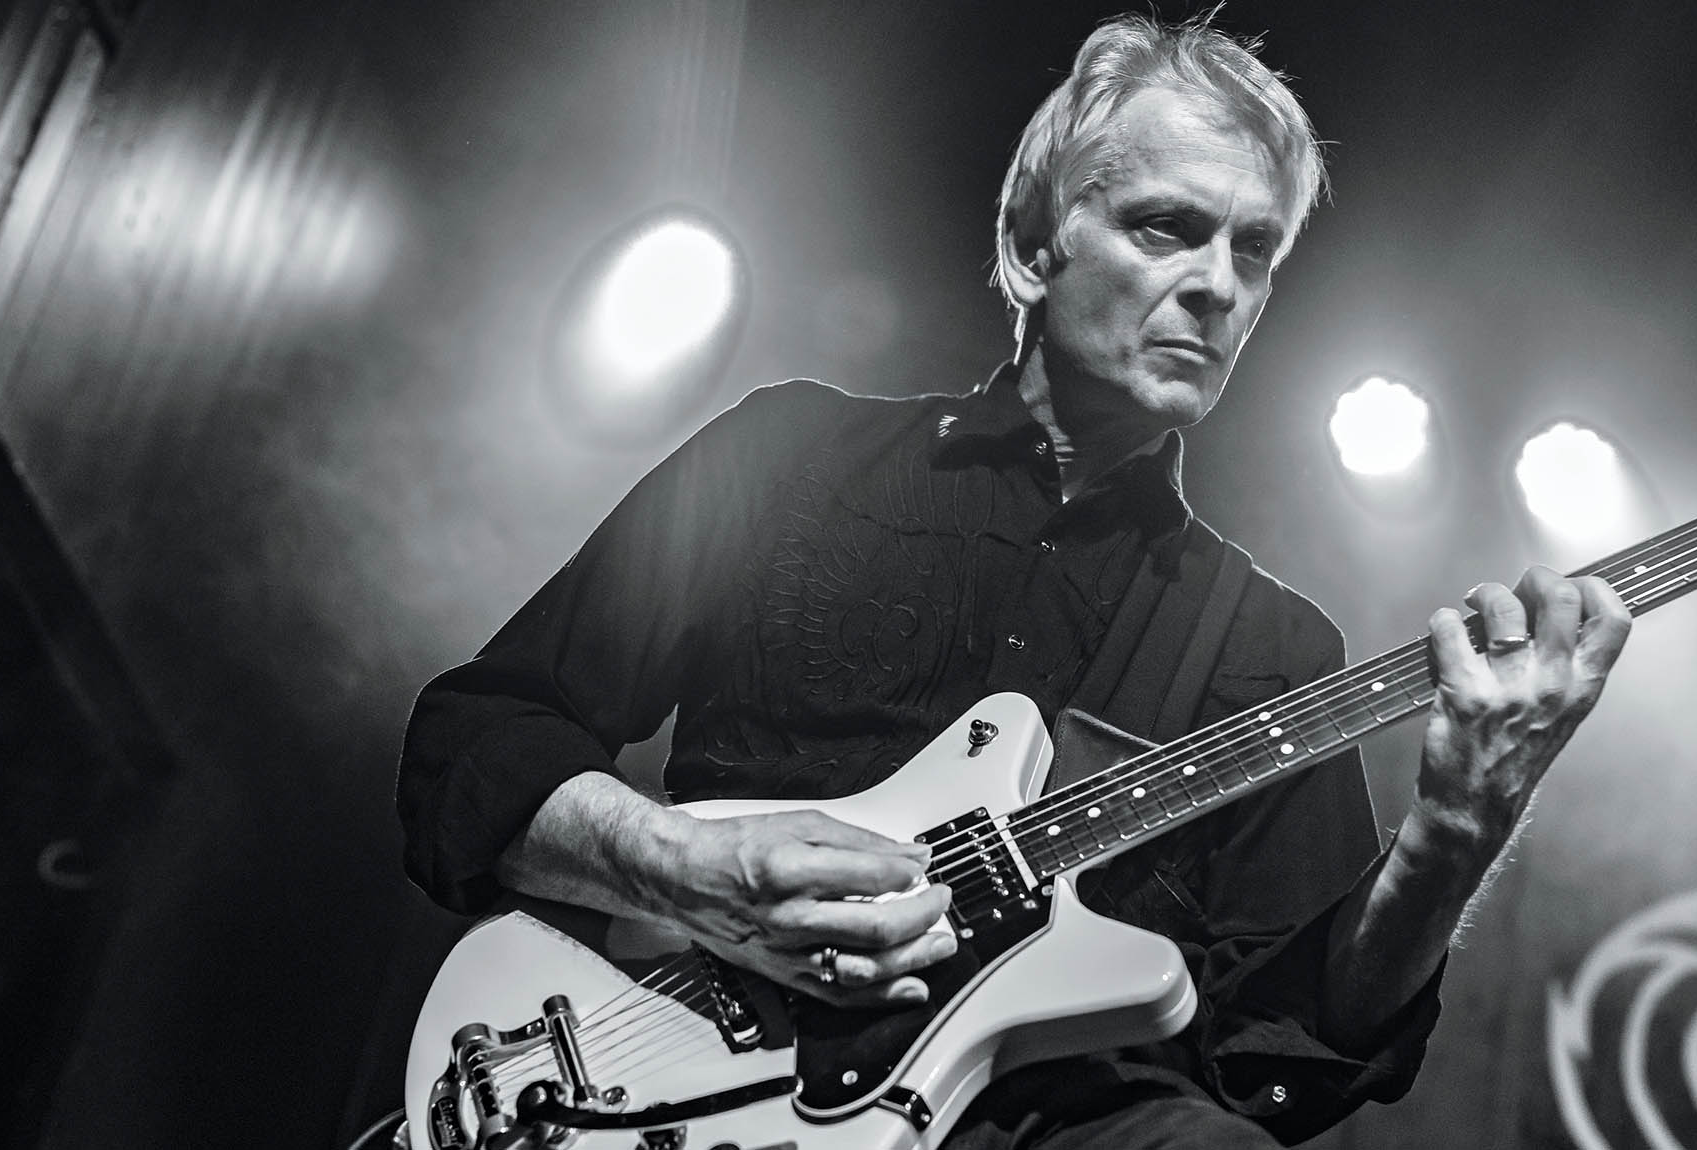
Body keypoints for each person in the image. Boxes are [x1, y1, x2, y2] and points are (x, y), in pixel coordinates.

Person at [397, 13, 1632, 1148]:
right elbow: (474, 743)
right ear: (1036, 246)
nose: (1219, 284)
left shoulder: (1271, 647)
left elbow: (1282, 1053)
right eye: (1167, 227)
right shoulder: (788, 456)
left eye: (1255, 250)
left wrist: (1456, 831)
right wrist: (687, 870)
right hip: (666, 1086)